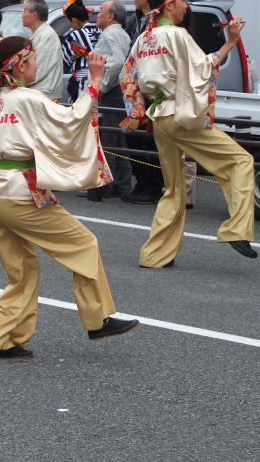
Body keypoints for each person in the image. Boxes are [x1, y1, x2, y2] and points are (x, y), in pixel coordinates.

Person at [0, 36, 138, 357]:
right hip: (20, 192)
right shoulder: (28, 98)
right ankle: (98, 318)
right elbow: (72, 120)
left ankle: (2, 340)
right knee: (83, 244)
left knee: (21, 271)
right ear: (19, 65)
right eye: (33, 60)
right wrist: (95, 81)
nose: (37, 65)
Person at [121, 0, 257, 267]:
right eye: (182, 1)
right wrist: (230, 42)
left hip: (159, 115)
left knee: (173, 188)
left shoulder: (143, 39)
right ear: (169, 4)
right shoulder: (177, 35)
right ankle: (236, 229)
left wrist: (136, 111)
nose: (186, 6)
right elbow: (203, 68)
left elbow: (127, 77)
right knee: (241, 161)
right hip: (180, 114)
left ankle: (155, 255)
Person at [86, 0, 132, 202]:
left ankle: (105, 186)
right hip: (118, 92)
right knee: (118, 140)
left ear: (111, 16)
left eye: (101, 11)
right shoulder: (121, 33)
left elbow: (117, 62)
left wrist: (102, 87)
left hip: (110, 92)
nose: (97, 14)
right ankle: (122, 185)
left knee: (107, 140)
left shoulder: (110, 34)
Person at [123, 0, 164, 205]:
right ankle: (141, 181)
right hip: (134, 88)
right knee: (132, 136)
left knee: (150, 140)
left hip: (151, 90)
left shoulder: (159, 20)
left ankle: (154, 186)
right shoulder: (135, 19)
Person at [22, 0, 63, 100]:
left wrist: (18, 83)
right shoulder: (40, 33)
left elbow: (38, 69)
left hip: (44, 96)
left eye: (24, 11)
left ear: (34, 15)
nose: (22, 16)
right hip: (37, 94)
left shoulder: (46, 35)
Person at [61, 0, 101, 101]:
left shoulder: (75, 35)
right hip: (102, 81)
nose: (69, 25)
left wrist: (78, 55)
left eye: (69, 21)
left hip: (82, 82)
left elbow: (66, 60)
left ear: (74, 20)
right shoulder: (101, 30)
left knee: (82, 108)